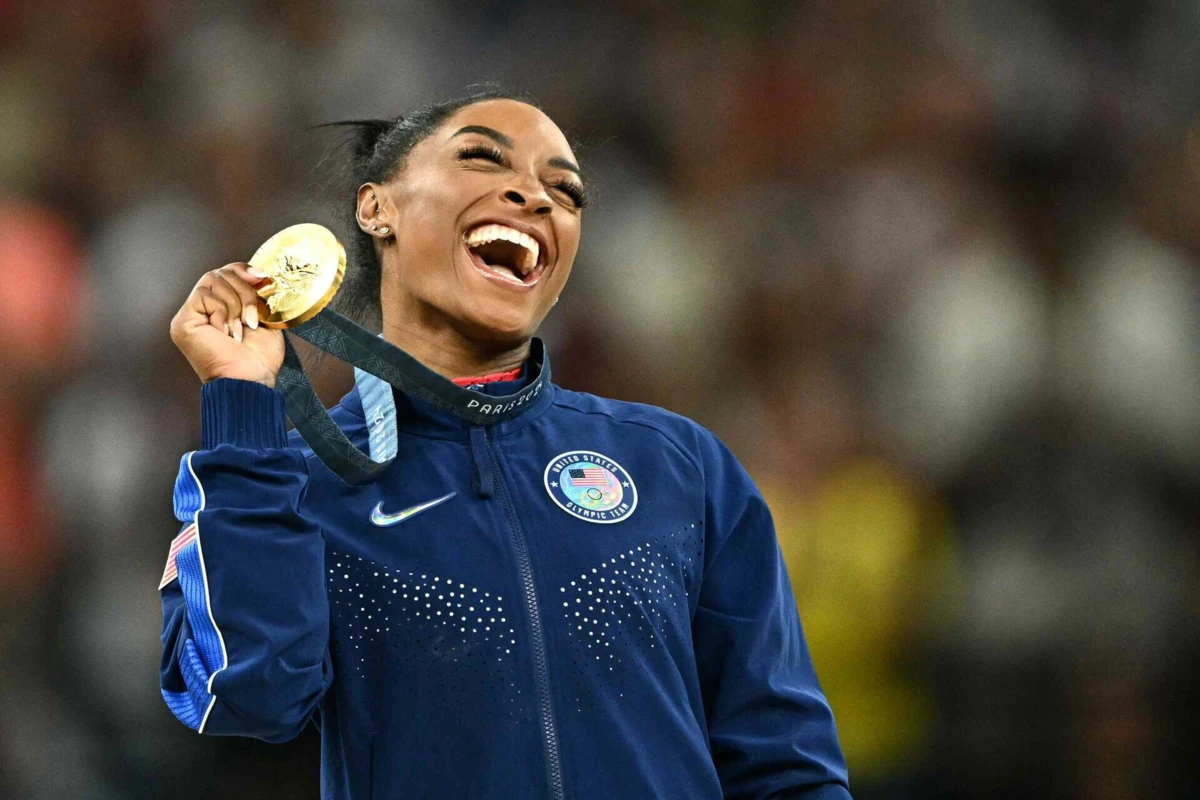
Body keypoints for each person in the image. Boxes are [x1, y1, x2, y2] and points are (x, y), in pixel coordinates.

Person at [160, 90, 851, 799]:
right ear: (377, 208)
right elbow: (245, 693)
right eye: (482, 158)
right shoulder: (294, 485)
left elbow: (785, 765)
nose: (534, 195)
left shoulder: (677, 466)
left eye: (566, 190)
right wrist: (242, 400)